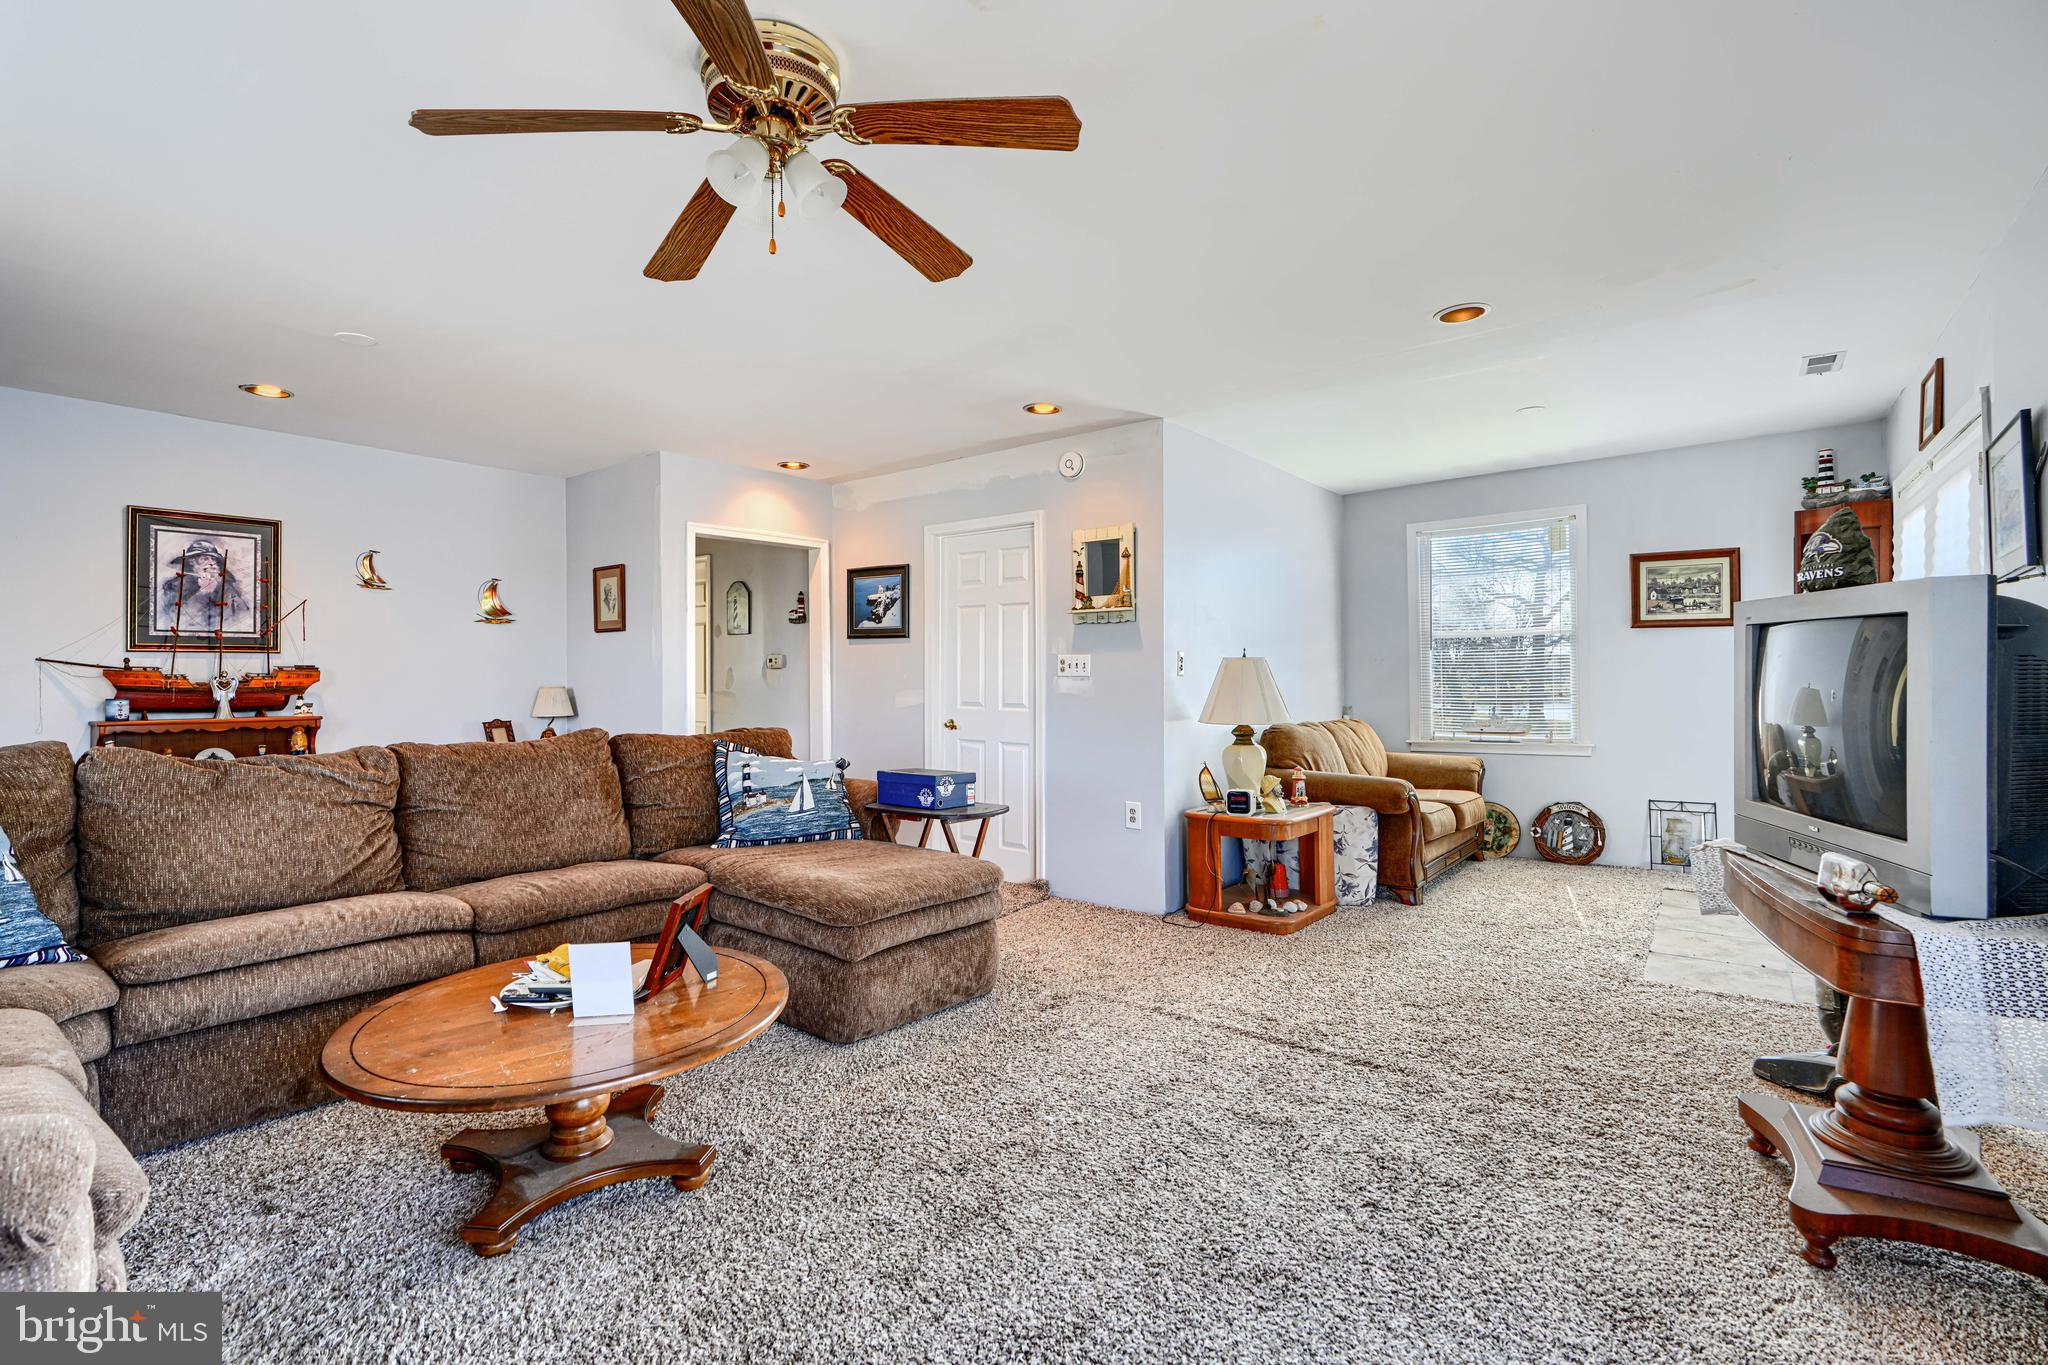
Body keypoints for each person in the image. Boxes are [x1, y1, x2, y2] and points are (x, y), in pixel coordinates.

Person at [156, 538, 252, 635]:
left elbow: (243, 616)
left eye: (213, 559)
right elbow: (175, 620)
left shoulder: (227, 588)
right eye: (204, 559)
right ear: (192, 562)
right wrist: (202, 594)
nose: (211, 563)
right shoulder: (174, 586)